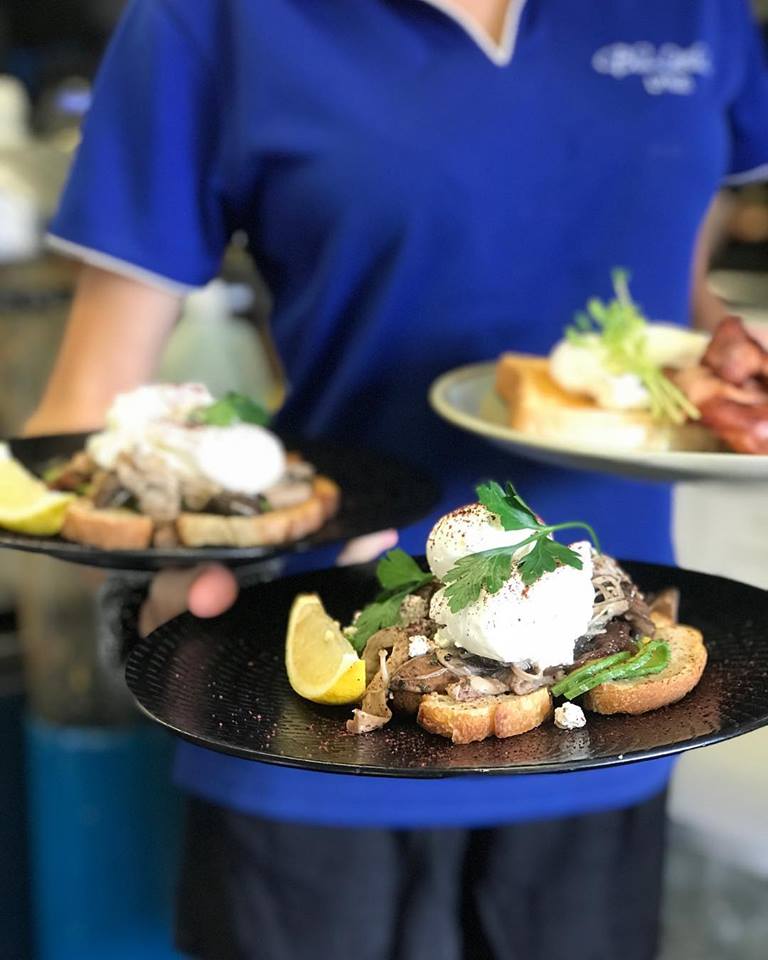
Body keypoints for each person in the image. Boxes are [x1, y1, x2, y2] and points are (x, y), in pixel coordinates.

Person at [26, 1, 768, 958]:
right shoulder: (208, 19)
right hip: (310, 708)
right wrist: (137, 574)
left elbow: (673, 298)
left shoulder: (696, 11)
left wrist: (727, 375)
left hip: (613, 709)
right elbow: (85, 413)